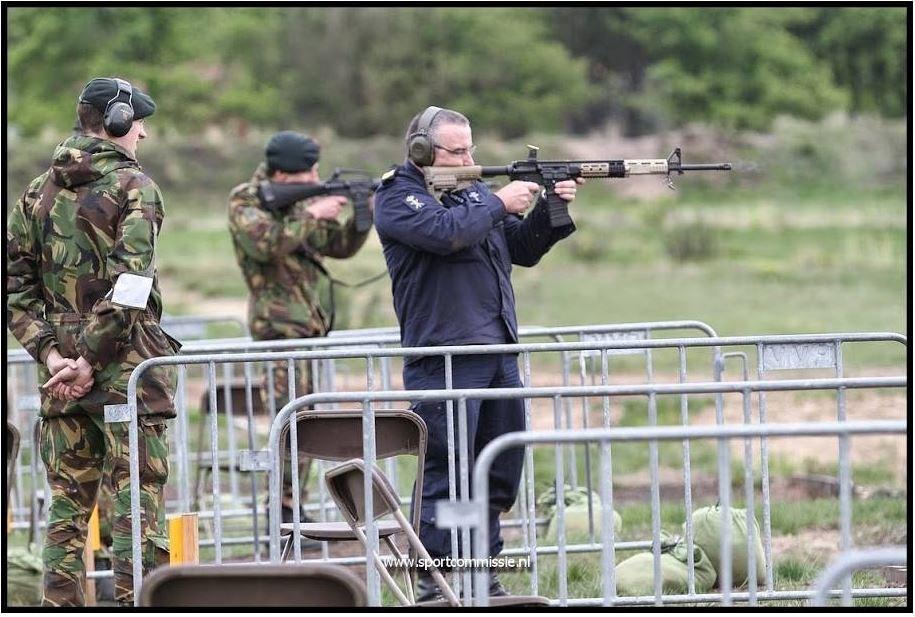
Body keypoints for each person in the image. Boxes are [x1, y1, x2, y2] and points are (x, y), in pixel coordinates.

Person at [374, 106, 582, 600]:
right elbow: (447, 235)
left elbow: (522, 249)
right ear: (423, 151)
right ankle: (437, 585)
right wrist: (499, 202)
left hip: (497, 351)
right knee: (448, 474)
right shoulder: (398, 197)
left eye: (472, 148)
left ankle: (481, 578)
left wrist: (550, 207)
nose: (470, 158)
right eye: (458, 150)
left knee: (496, 470)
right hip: (445, 358)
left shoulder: (472, 195)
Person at [7, 77, 179, 606]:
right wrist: (85, 360)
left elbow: (14, 291)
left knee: (66, 507)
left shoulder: (35, 193)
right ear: (118, 121)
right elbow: (132, 287)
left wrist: (54, 356)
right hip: (127, 373)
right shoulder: (135, 188)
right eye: (139, 121)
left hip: (62, 381)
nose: (143, 134)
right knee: (136, 507)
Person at [227, 131, 371, 522]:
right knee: (287, 420)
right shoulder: (247, 199)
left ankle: (291, 504)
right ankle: (280, 506)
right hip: (277, 330)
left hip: (308, 329)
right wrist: (313, 212)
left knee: (308, 422)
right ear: (283, 174)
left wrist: (362, 215)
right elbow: (265, 244)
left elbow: (336, 246)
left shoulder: (301, 199)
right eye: (309, 171)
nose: (315, 178)